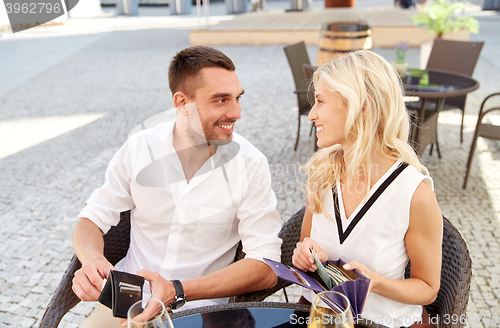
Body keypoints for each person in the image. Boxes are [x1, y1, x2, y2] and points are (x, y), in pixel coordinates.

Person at [72, 46, 282, 327]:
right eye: (220, 100)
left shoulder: (250, 163)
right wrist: (91, 260)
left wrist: (178, 290)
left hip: (197, 313)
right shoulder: (140, 147)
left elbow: (266, 266)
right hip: (126, 305)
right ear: (182, 102)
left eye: (237, 98)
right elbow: (92, 218)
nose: (236, 112)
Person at [292, 50, 442, 328]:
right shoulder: (321, 173)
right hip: (323, 318)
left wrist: (375, 283)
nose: (311, 114)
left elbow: (428, 288)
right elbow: (306, 246)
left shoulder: (414, 194)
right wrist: (307, 254)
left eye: (321, 101)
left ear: (362, 107)